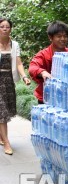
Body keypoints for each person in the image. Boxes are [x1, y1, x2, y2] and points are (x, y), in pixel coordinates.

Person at [0, 18, 31, 155]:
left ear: (11, 29)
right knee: (2, 112)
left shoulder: (15, 44)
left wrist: (24, 76)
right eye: (2, 26)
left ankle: (1, 136)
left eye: (7, 26)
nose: (5, 28)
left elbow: (18, 63)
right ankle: (6, 142)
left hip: (8, 81)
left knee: (5, 110)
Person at [29, 21, 68, 103]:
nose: (63, 39)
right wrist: (43, 72)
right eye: (59, 36)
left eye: (65, 36)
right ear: (50, 37)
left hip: (65, 97)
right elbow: (32, 67)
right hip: (46, 97)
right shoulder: (43, 54)